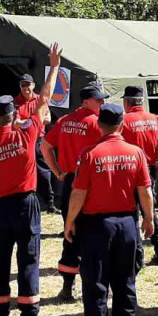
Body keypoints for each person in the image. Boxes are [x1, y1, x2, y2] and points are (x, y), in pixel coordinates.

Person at [0, 45, 61, 316]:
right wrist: (54, 66)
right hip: (26, 205)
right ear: (14, 115)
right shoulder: (26, 135)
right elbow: (45, 99)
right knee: (28, 260)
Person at [65, 103, 155, 316]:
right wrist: (148, 220)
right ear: (122, 124)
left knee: (95, 281)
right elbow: (145, 192)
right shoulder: (135, 152)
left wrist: (70, 220)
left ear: (98, 125)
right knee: (125, 278)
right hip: (127, 224)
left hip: (97, 226)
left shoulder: (90, 154)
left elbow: (78, 193)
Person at [40, 83, 107, 302]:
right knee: (96, 234)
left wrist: (57, 171)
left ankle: (67, 287)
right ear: (86, 101)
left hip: (69, 182)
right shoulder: (97, 124)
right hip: (92, 185)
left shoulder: (65, 121)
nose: (102, 103)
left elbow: (45, 146)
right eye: (98, 100)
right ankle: (97, 286)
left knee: (70, 232)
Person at [121, 85, 158, 267]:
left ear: (126, 102)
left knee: (130, 211)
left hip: (128, 170)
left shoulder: (123, 121)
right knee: (150, 209)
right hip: (148, 170)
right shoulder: (154, 119)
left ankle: (134, 252)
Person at [15, 72, 58, 215]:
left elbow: (47, 119)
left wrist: (26, 121)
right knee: (25, 172)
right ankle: (32, 199)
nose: (25, 87)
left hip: (39, 140)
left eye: (28, 84)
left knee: (44, 172)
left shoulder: (40, 99)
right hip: (23, 141)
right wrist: (34, 121)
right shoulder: (16, 102)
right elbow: (15, 123)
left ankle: (50, 202)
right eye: (23, 85)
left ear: (33, 85)